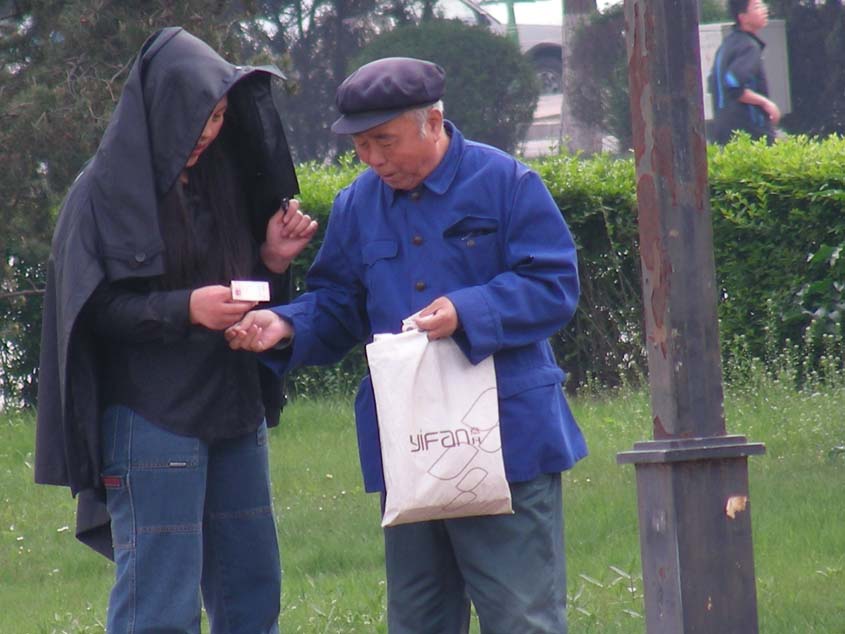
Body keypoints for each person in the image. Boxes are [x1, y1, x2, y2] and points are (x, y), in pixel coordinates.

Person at [226, 57, 588, 633]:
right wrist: (286, 324)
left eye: (384, 141)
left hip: (510, 443)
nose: (372, 159)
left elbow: (554, 285)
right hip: (408, 445)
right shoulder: (356, 204)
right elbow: (339, 303)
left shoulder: (508, 183)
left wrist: (467, 309)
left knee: (522, 618)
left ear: (434, 121)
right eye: (361, 146)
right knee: (418, 620)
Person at [34, 27, 317, 633]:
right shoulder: (99, 195)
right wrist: (184, 308)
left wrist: (270, 260)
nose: (209, 132)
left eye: (217, 117)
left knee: (252, 592)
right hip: (151, 416)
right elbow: (91, 312)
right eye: (198, 118)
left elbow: (234, 284)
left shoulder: (223, 176)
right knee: (159, 602)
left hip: (233, 407)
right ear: (159, 109)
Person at [709, 0, 781, 145]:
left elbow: (712, 82)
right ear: (743, 17)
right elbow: (733, 84)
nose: (764, 10)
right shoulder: (749, 47)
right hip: (749, 133)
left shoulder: (727, 44)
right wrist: (766, 103)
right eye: (757, 6)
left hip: (723, 131)